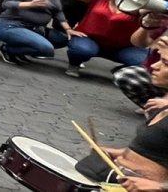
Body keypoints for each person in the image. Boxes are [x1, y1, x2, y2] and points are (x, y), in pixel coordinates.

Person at [68, 58, 168, 189]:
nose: (154, 65)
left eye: (165, 63)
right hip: (120, 177)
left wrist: (160, 187)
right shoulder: (161, 107)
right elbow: (154, 150)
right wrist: (119, 153)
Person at [0, 0, 80, 65]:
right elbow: (7, 3)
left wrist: (68, 29)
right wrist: (30, 4)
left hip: (37, 29)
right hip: (11, 25)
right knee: (46, 49)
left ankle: (22, 48)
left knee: (65, 39)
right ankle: (7, 49)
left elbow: (57, 11)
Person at [66, 0, 149, 78]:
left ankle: (121, 72)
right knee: (81, 50)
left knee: (146, 63)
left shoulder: (136, 7)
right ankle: (74, 64)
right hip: (89, 40)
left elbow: (150, 8)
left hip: (122, 48)